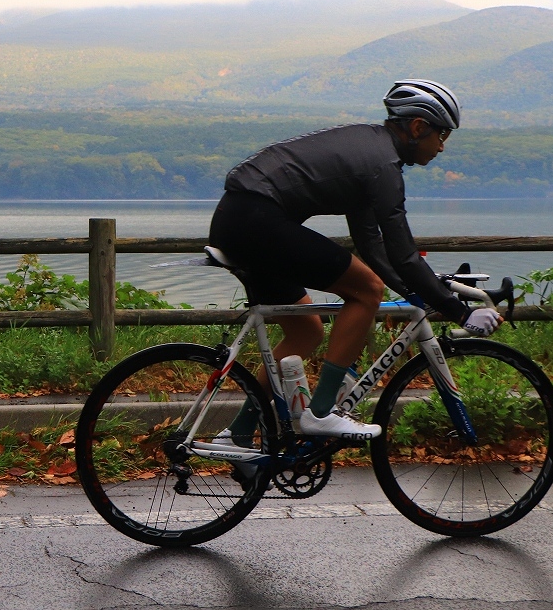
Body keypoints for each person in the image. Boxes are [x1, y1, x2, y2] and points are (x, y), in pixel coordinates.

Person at [208, 79, 502, 442]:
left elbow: (374, 249)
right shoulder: (382, 166)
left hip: (238, 218)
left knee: (306, 330)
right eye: (442, 136)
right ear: (417, 127)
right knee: (366, 291)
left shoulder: (370, 152)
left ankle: (237, 433)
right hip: (256, 220)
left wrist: (427, 288)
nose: (442, 147)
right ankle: (321, 413)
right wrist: (460, 312)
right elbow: (403, 254)